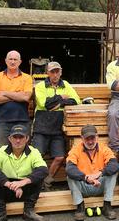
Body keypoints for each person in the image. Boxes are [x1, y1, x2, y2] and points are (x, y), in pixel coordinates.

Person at [31, 61, 80, 190]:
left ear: (61, 72)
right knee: (36, 156)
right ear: (47, 73)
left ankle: (47, 180)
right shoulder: (40, 86)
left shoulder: (66, 85)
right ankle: (35, 182)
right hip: (41, 127)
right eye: (52, 71)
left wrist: (58, 103)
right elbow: (44, 104)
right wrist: (62, 98)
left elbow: (76, 101)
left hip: (58, 128)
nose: (55, 74)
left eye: (57, 71)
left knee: (59, 157)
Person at [0, 124, 47, 221]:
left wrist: (23, 182)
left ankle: (28, 211)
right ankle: (0, 213)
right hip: (6, 190)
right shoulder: (0, 152)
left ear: (27, 139)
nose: (18, 140)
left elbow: (43, 170)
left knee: (38, 177)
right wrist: (10, 185)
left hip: (25, 190)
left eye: (21, 137)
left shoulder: (34, 152)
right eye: (15, 137)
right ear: (9, 138)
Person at [66, 125, 119, 220]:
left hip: (99, 185)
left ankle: (107, 206)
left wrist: (100, 173)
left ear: (97, 137)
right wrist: (86, 177)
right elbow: (69, 168)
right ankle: (80, 207)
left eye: (93, 138)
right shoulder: (75, 150)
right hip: (83, 185)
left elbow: (114, 165)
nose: (90, 141)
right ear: (81, 138)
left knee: (113, 173)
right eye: (87, 139)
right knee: (70, 176)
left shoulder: (105, 149)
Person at [0, 50, 34, 149]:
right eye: (10, 59)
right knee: (1, 151)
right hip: (2, 122)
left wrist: (5, 93)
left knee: (23, 151)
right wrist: (17, 95)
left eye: (15, 59)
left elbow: (26, 97)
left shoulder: (27, 78)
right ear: (6, 61)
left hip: (22, 120)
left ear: (20, 62)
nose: (12, 62)